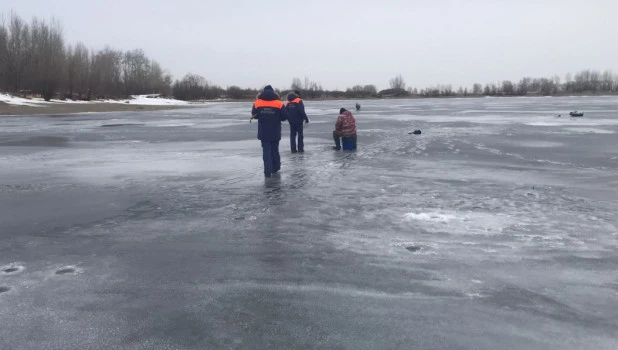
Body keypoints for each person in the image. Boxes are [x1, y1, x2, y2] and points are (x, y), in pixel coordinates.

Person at [251, 85, 288, 177]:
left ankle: (267, 171)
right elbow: (284, 116)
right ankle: (275, 168)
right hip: (275, 131)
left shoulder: (257, 103)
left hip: (263, 131)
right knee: (275, 150)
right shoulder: (279, 103)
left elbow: (254, 115)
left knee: (266, 151)